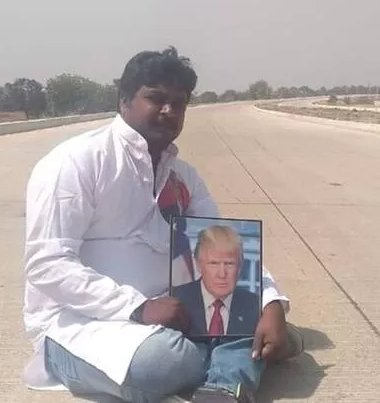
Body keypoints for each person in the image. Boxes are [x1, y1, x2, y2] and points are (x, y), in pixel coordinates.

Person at [22, 46, 303, 403]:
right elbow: (47, 265)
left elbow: (224, 248)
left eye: (178, 103)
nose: (168, 110)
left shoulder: (184, 176)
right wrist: (138, 307)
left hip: (172, 315)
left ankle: (223, 387)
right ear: (124, 101)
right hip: (83, 322)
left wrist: (270, 302)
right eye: (155, 98)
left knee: (247, 312)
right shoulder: (76, 162)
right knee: (163, 362)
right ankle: (239, 356)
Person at [172, 224, 261, 337]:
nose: (222, 274)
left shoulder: (256, 306)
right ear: (199, 265)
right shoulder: (176, 301)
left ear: (240, 266)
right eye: (213, 263)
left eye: (229, 263)